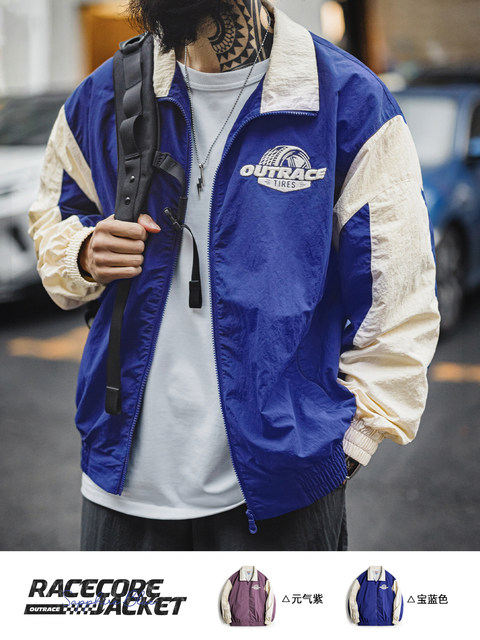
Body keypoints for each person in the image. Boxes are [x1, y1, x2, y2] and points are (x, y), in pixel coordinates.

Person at [29, 0, 440, 551]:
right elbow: (52, 221)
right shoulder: (102, 95)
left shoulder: (347, 101)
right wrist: (82, 252)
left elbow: (400, 304)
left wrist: (341, 450)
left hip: (283, 492)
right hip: (119, 485)